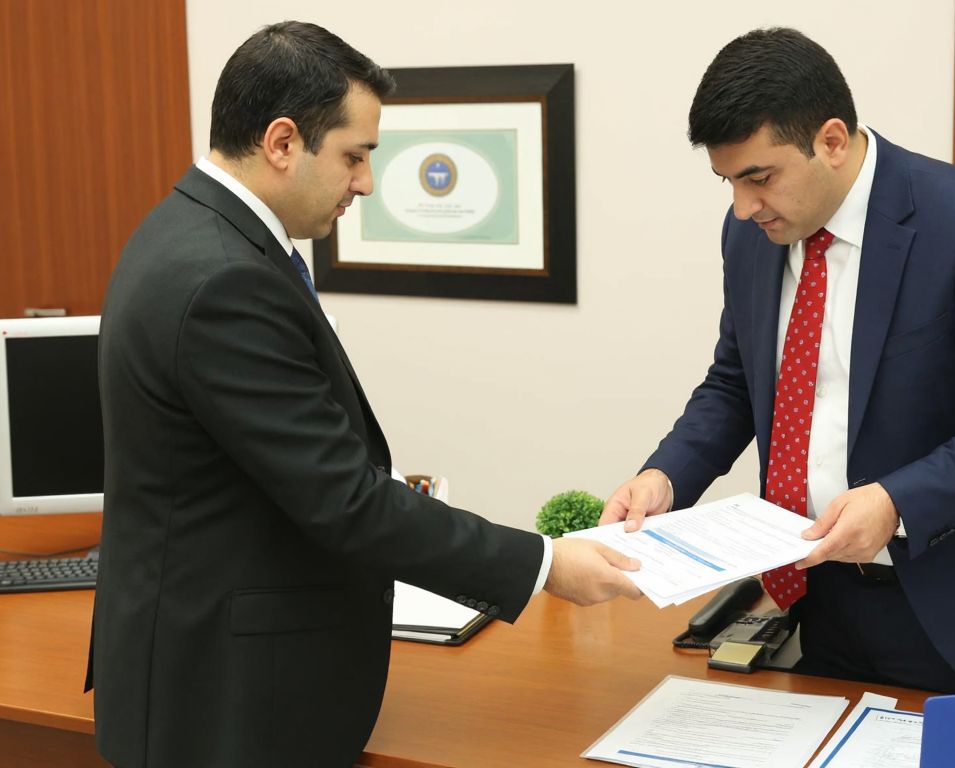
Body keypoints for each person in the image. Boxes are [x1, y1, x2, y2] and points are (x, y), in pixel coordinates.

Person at [87, 21, 640, 768]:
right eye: (355, 156)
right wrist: (544, 565)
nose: (366, 183)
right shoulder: (222, 278)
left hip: (216, 670)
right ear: (283, 142)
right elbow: (344, 499)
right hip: (223, 705)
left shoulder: (191, 230)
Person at [600, 27, 955, 694]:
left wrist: (898, 501)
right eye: (728, 182)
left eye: (758, 178)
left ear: (831, 141)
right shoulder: (753, 234)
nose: (743, 207)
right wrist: (667, 475)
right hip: (823, 600)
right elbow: (736, 384)